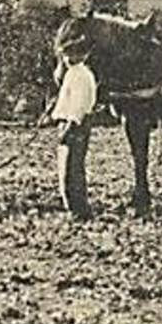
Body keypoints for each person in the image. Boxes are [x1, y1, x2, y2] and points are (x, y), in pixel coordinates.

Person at [49, 36, 98, 220]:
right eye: (66, 54)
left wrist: (69, 127)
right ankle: (74, 208)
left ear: (83, 55)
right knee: (67, 168)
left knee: (73, 169)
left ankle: (79, 210)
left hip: (76, 126)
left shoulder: (81, 75)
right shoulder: (73, 74)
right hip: (68, 123)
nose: (68, 58)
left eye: (73, 54)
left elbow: (78, 106)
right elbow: (65, 102)